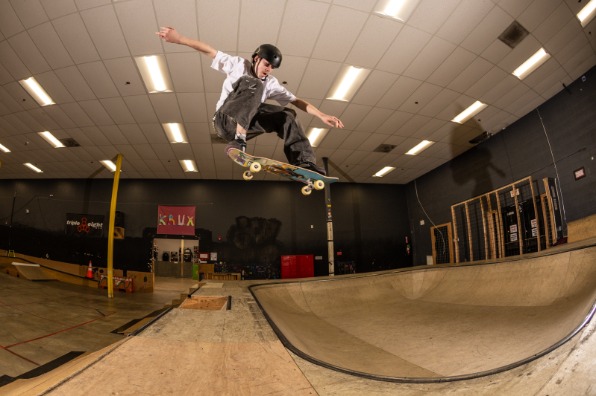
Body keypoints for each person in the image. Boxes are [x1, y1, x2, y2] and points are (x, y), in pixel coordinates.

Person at [156, 27, 344, 175]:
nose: (269, 70)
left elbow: (296, 101)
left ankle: (303, 161)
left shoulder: (271, 83)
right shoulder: (238, 65)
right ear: (256, 58)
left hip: (248, 124)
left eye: (272, 67)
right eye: (266, 64)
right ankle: (239, 140)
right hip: (225, 120)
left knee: (288, 114)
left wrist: (322, 115)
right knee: (254, 84)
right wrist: (179, 38)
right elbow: (209, 51)